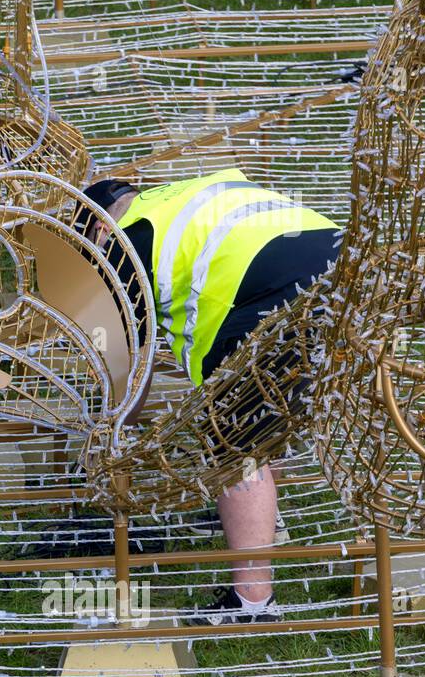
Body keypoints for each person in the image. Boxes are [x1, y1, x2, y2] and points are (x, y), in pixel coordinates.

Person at [82, 168, 342, 624]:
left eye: (88, 248)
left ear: (101, 228)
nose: (94, 261)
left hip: (275, 287)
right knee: (270, 403)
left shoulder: (125, 244)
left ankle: (252, 604)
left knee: (230, 438)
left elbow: (131, 373)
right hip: (341, 262)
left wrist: (112, 435)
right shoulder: (181, 194)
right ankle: (264, 521)